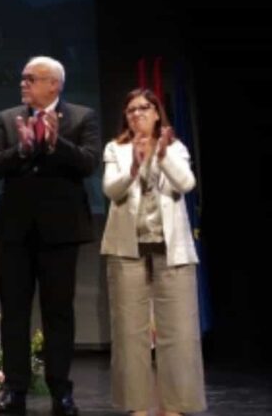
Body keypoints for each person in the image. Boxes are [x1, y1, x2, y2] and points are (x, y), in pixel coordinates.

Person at [0, 56, 101, 416]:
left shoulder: (82, 117)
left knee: (58, 313)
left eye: (30, 79)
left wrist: (54, 142)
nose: (23, 84)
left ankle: (60, 391)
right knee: (15, 312)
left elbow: (89, 162)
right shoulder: (8, 118)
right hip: (17, 230)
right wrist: (21, 149)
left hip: (62, 231)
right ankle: (14, 389)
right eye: (22, 78)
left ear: (55, 84)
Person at [100, 89, 205, 416]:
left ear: (157, 113)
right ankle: (137, 406)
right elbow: (110, 190)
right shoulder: (115, 148)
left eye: (144, 108)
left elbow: (186, 184)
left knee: (179, 332)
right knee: (130, 332)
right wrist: (134, 167)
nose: (137, 114)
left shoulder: (174, 147)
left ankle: (176, 405)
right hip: (127, 249)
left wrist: (160, 157)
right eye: (131, 110)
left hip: (172, 250)